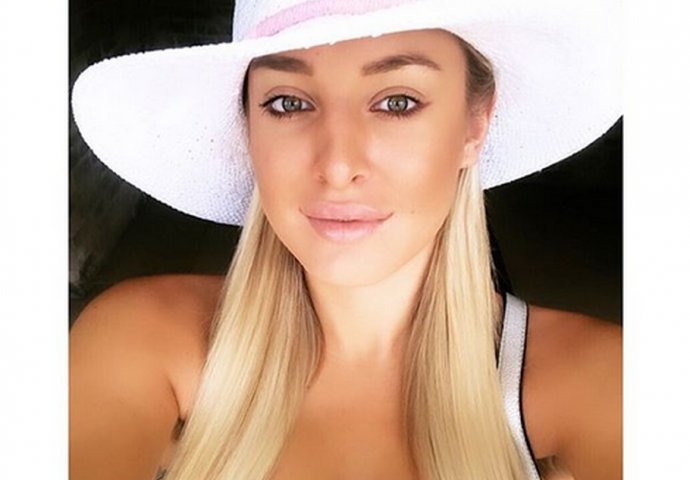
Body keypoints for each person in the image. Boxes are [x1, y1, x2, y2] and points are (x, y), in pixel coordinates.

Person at [69, 1, 622, 479]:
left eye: (397, 102)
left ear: (474, 124)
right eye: (288, 102)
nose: (337, 166)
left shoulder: (599, 381)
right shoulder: (140, 340)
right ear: (248, 128)